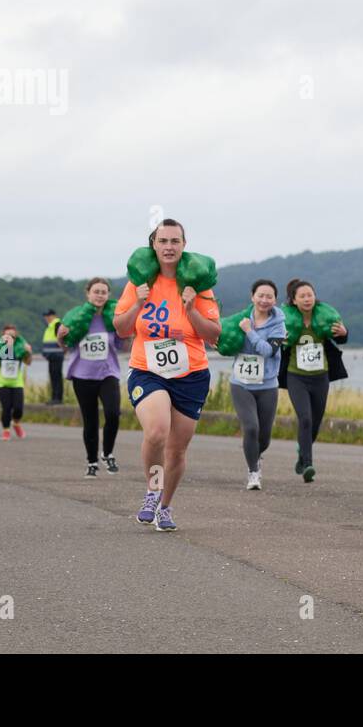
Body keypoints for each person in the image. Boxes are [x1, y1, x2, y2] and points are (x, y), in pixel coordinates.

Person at [113, 219, 221, 532]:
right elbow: (121, 329)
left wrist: (192, 311)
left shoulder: (198, 285)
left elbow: (214, 334)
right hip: (148, 370)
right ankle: (152, 489)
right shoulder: (138, 283)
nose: (169, 247)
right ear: (154, 245)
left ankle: (165, 506)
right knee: (158, 432)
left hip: (191, 373)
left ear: (184, 245)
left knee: (176, 449)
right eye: (163, 241)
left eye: (175, 241)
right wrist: (140, 303)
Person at [276, 279, 348, 483]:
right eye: (302, 296)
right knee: (305, 419)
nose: (307, 299)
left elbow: (340, 337)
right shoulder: (288, 320)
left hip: (320, 376)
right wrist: (280, 339)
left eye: (310, 295)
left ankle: (302, 450)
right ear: (293, 300)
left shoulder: (323, 317)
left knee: (316, 421)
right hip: (296, 376)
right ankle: (307, 464)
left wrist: (344, 333)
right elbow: (277, 343)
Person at [57, 279, 124, 478]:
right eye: (96, 291)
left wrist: (128, 333)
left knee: (113, 413)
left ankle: (107, 452)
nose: (100, 295)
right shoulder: (76, 316)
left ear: (108, 295)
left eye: (104, 292)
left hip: (108, 372)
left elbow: (123, 346)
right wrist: (60, 338)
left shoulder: (112, 317)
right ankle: (92, 462)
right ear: (88, 294)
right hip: (82, 375)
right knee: (90, 420)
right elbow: (66, 347)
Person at [227, 279, 287, 490]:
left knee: (265, 437)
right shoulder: (240, 320)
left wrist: (249, 331)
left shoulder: (279, 325)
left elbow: (267, 351)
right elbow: (227, 341)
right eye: (260, 295)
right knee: (251, 428)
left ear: (275, 300)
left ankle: (256, 456)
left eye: (269, 296)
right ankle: (253, 472)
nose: (264, 300)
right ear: (252, 297)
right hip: (240, 384)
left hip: (267, 385)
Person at [0, 325, 32, 440]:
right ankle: (6, 431)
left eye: (12, 336)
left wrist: (29, 352)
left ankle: (16, 423)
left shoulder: (20, 348)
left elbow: (28, 362)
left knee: (18, 408)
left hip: (16, 382)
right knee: (6, 407)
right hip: (1, 382)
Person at [40, 309, 65, 404]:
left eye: (48, 316)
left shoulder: (57, 324)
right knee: (53, 376)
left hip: (57, 355)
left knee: (56, 377)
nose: (46, 318)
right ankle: (54, 398)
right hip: (52, 356)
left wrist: (63, 350)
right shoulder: (50, 326)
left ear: (53, 316)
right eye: (46, 316)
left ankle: (58, 398)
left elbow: (62, 339)